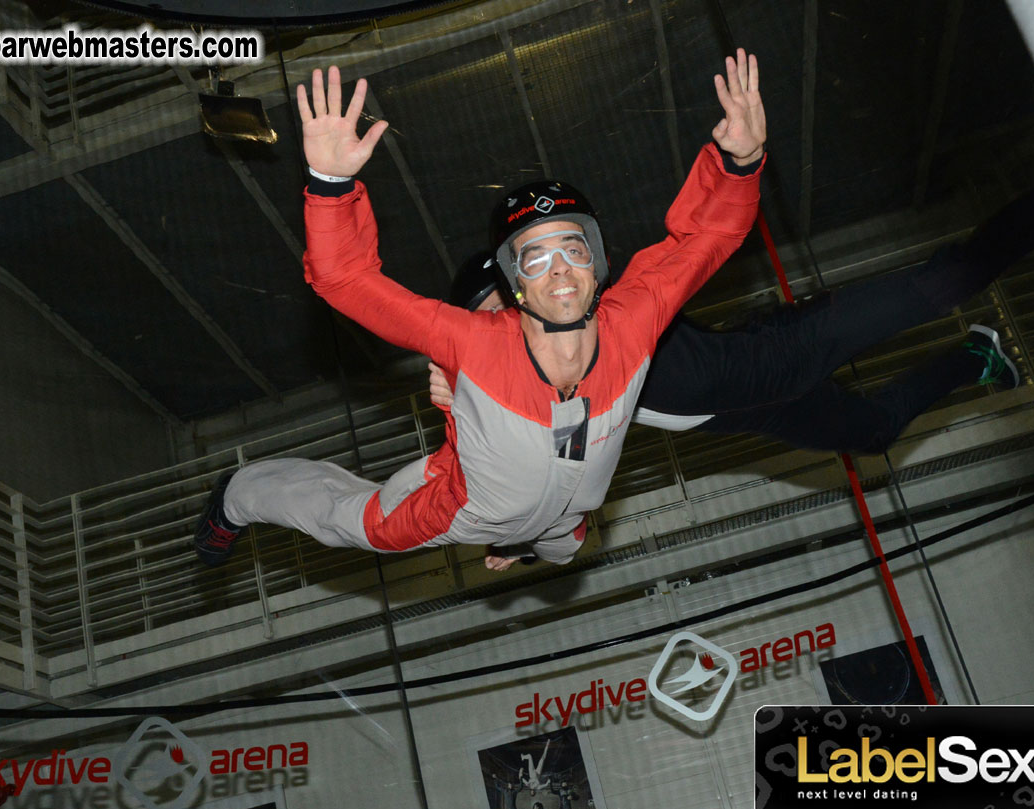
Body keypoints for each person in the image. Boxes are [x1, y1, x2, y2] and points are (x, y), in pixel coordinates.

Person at [194, 51, 765, 570]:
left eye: (573, 248)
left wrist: (743, 161)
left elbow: (709, 237)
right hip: (466, 509)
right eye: (534, 259)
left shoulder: (635, 317)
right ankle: (238, 496)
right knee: (349, 525)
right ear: (515, 284)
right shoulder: (473, 341)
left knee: (563, 550)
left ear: (597, 263)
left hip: (567, 517)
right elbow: (345, 281)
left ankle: (522, 545)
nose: (560, 268)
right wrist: (330, 183)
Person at [431, 160, 1034, 512]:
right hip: (762, 411)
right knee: (874, 433)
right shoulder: (550, 396)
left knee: (948, 280)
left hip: (787, 344)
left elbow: (688, 242)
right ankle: (974, 355)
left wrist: (734, 164)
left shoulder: (608, 302)